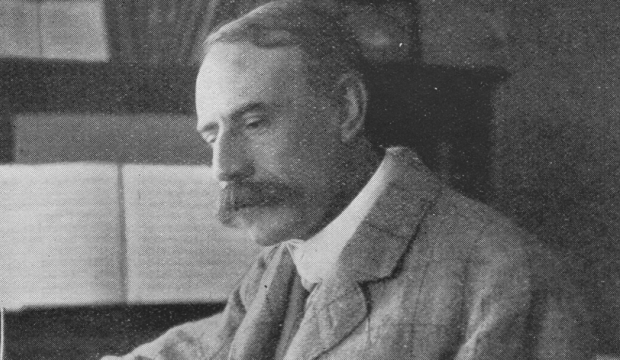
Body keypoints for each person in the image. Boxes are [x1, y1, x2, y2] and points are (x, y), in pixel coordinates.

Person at [104, 0, 593, 359]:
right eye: (213, 136)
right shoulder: (286, 261)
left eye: (255, 123)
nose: (225, 167)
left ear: (345, 109)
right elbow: (204, 346)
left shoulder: (503, 281)